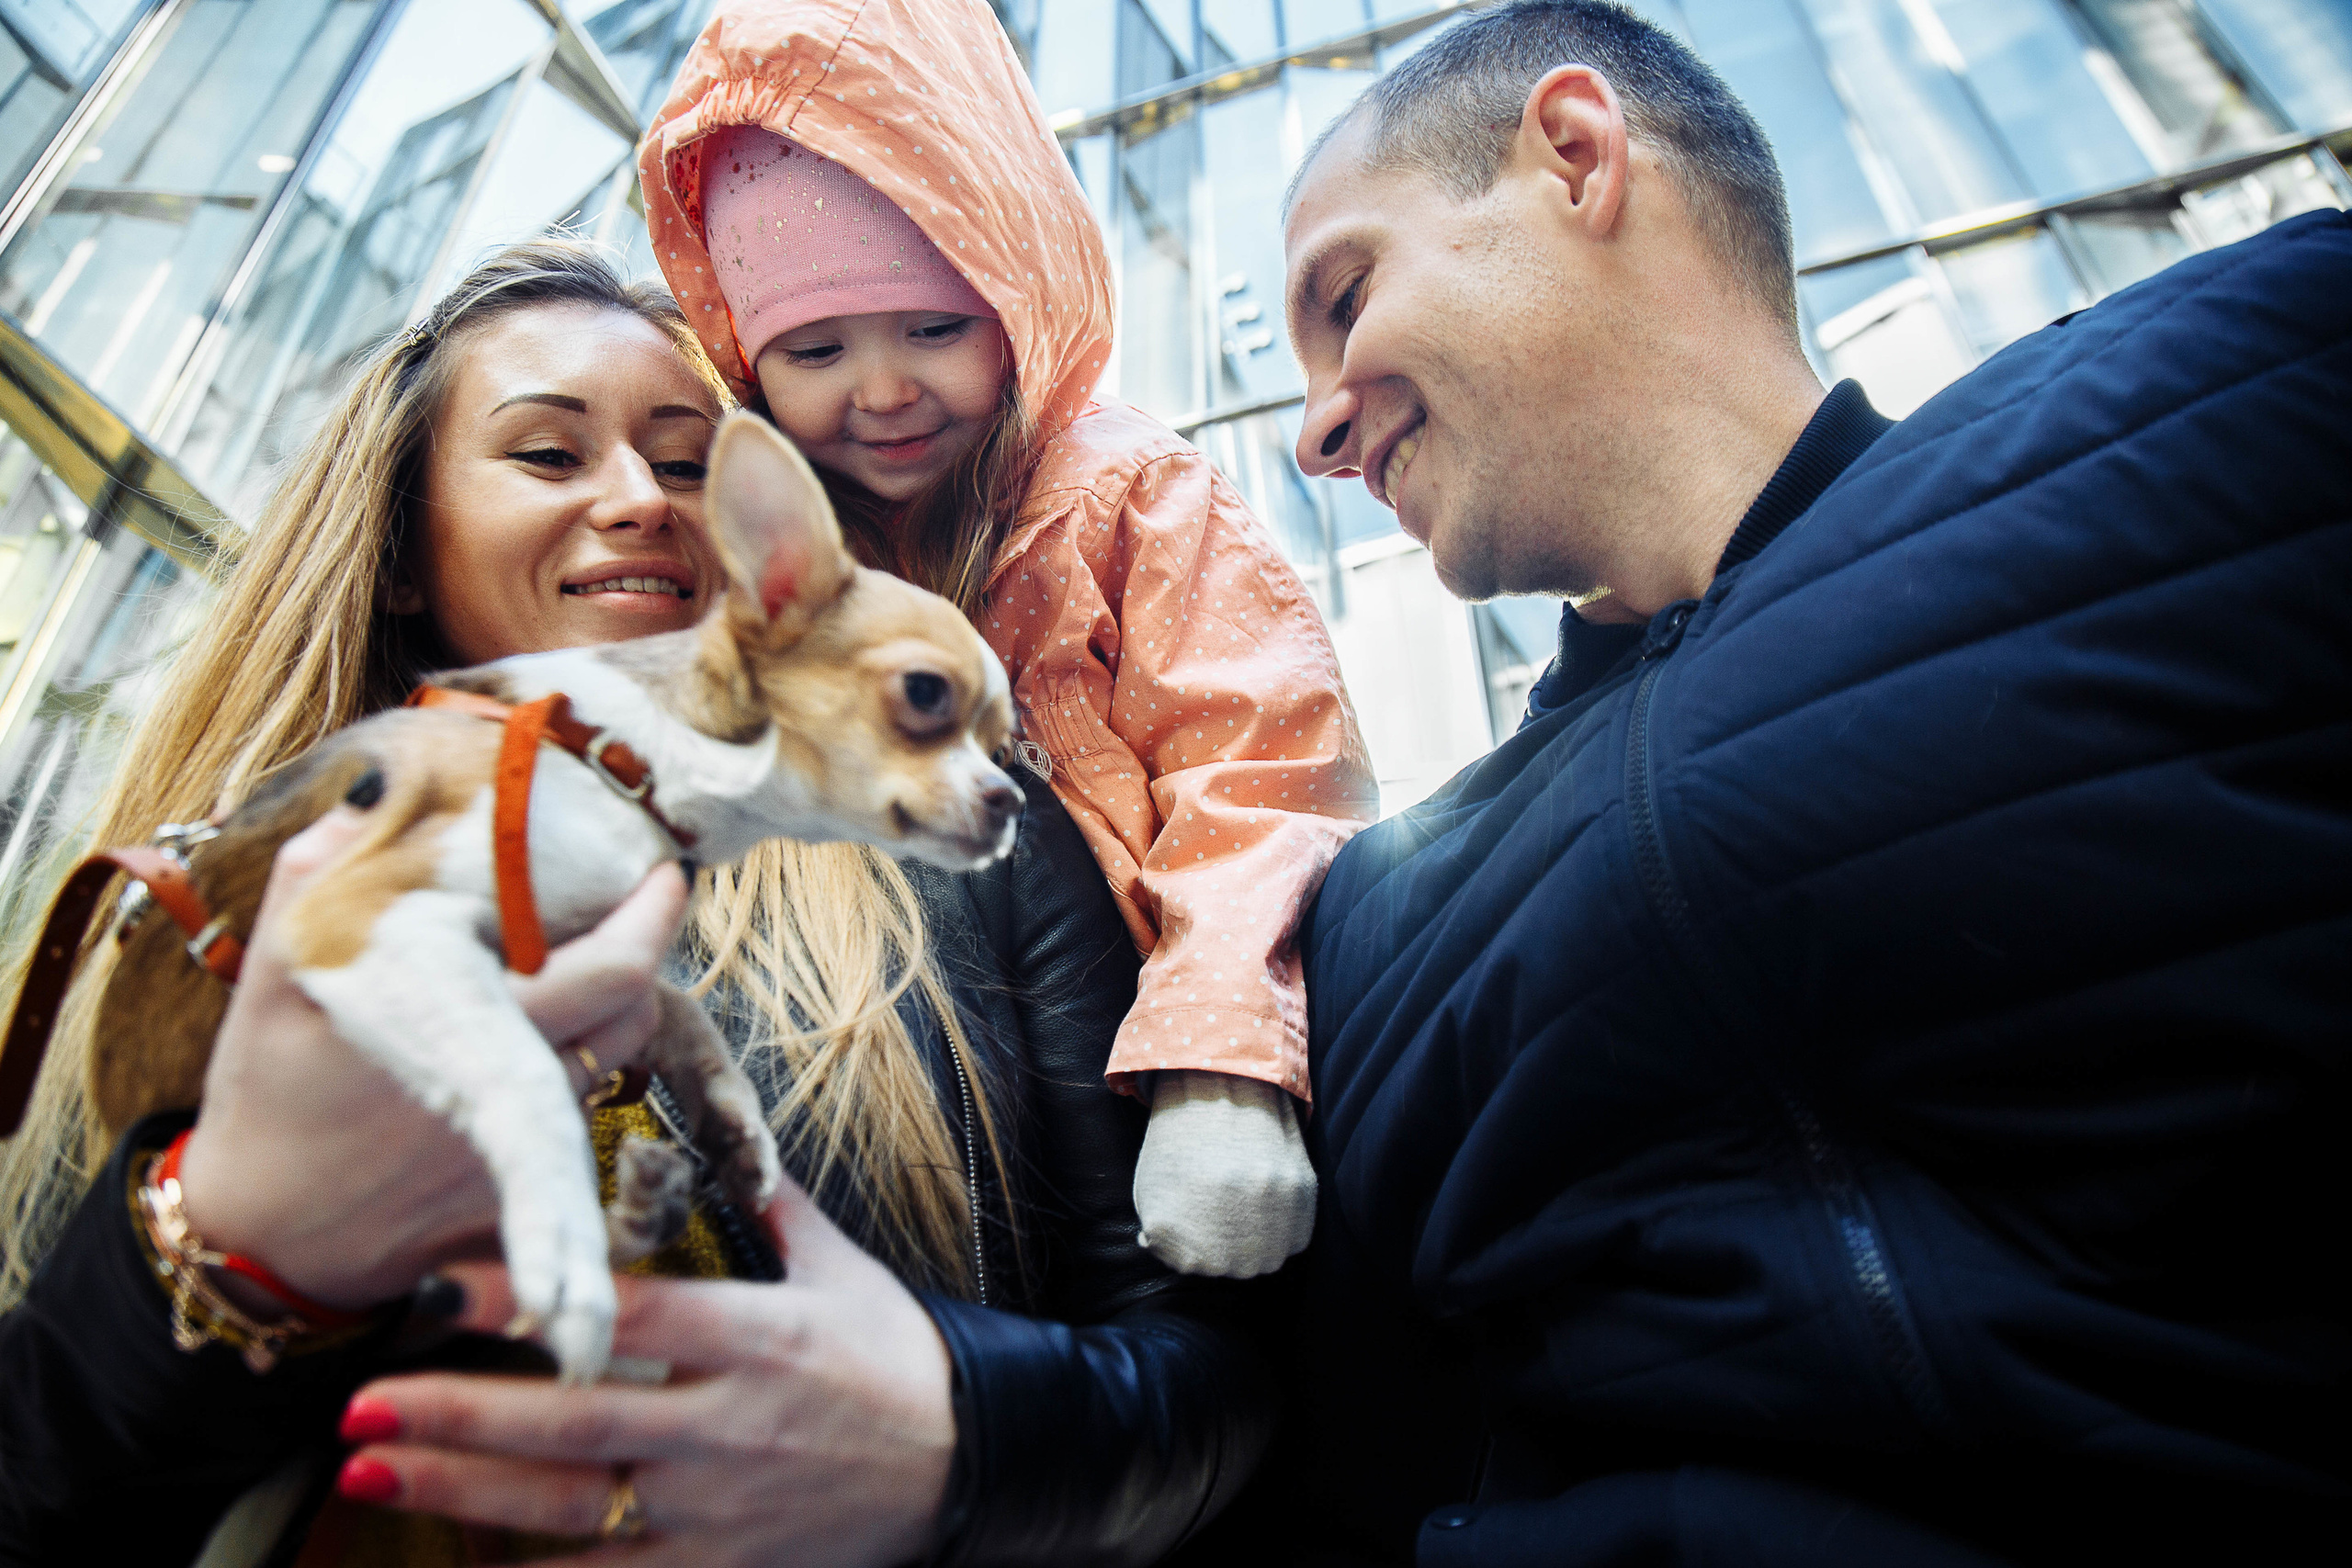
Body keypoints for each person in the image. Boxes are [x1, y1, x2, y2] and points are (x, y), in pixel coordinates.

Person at [1227, 2, 2349, 1564]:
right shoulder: (1370, 925)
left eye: (1345, 299)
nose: (1314, 434)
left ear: (1574, 153)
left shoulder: (2248, 387)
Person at [0, 241, 1271, 1567]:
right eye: (549, 456)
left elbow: (1222, 1373)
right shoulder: (219, 901)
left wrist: (964, 1435)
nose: (642, 502)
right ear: (396, 553)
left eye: (686, 465)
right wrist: (222, 1253)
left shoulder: (965, 852)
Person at [636, 0, 1380, 1280]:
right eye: (815, 348)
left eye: (933, 327)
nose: (882, 391)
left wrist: (1222, 1063)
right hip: (959, 1112)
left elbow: (1260, 768)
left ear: (1013, 298)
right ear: (748, 361)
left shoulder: (1130, 496)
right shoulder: (785, 548)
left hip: (1173, 1096)